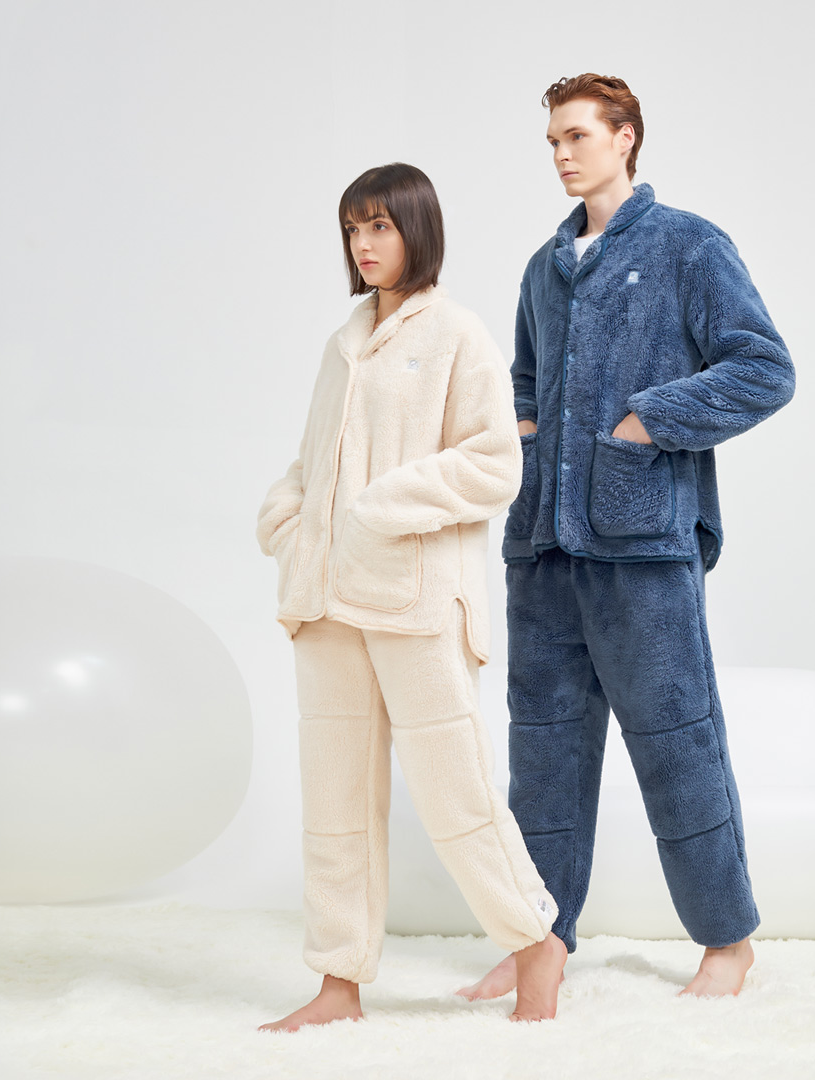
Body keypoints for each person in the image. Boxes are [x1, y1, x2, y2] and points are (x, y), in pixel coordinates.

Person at [457, 75, 795, 1002]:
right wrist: (527, 436)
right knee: (543, 760)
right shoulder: (543, 266)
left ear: (625, 137)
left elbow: (764, 367)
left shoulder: (688, 244)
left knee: (677, 745)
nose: (562, 154)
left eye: (577, 135)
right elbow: (523, 383)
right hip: (544, 550)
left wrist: (648, 421)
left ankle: (727, 942)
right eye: (552, 141)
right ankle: (538, 942)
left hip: (642, 545)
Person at [255, 163, 566, 1029]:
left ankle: (535, 942)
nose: (364, 243)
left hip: (415, 597)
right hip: (325, 600)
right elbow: (315, 456)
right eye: (354, 228)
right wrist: (287, 518)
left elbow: (494, 461)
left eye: (381, 226)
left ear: (416, 230)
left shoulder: (457, 333)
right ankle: (338, 983)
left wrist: (377, 508)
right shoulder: (344, 341)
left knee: (453, 791)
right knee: (335, 803)